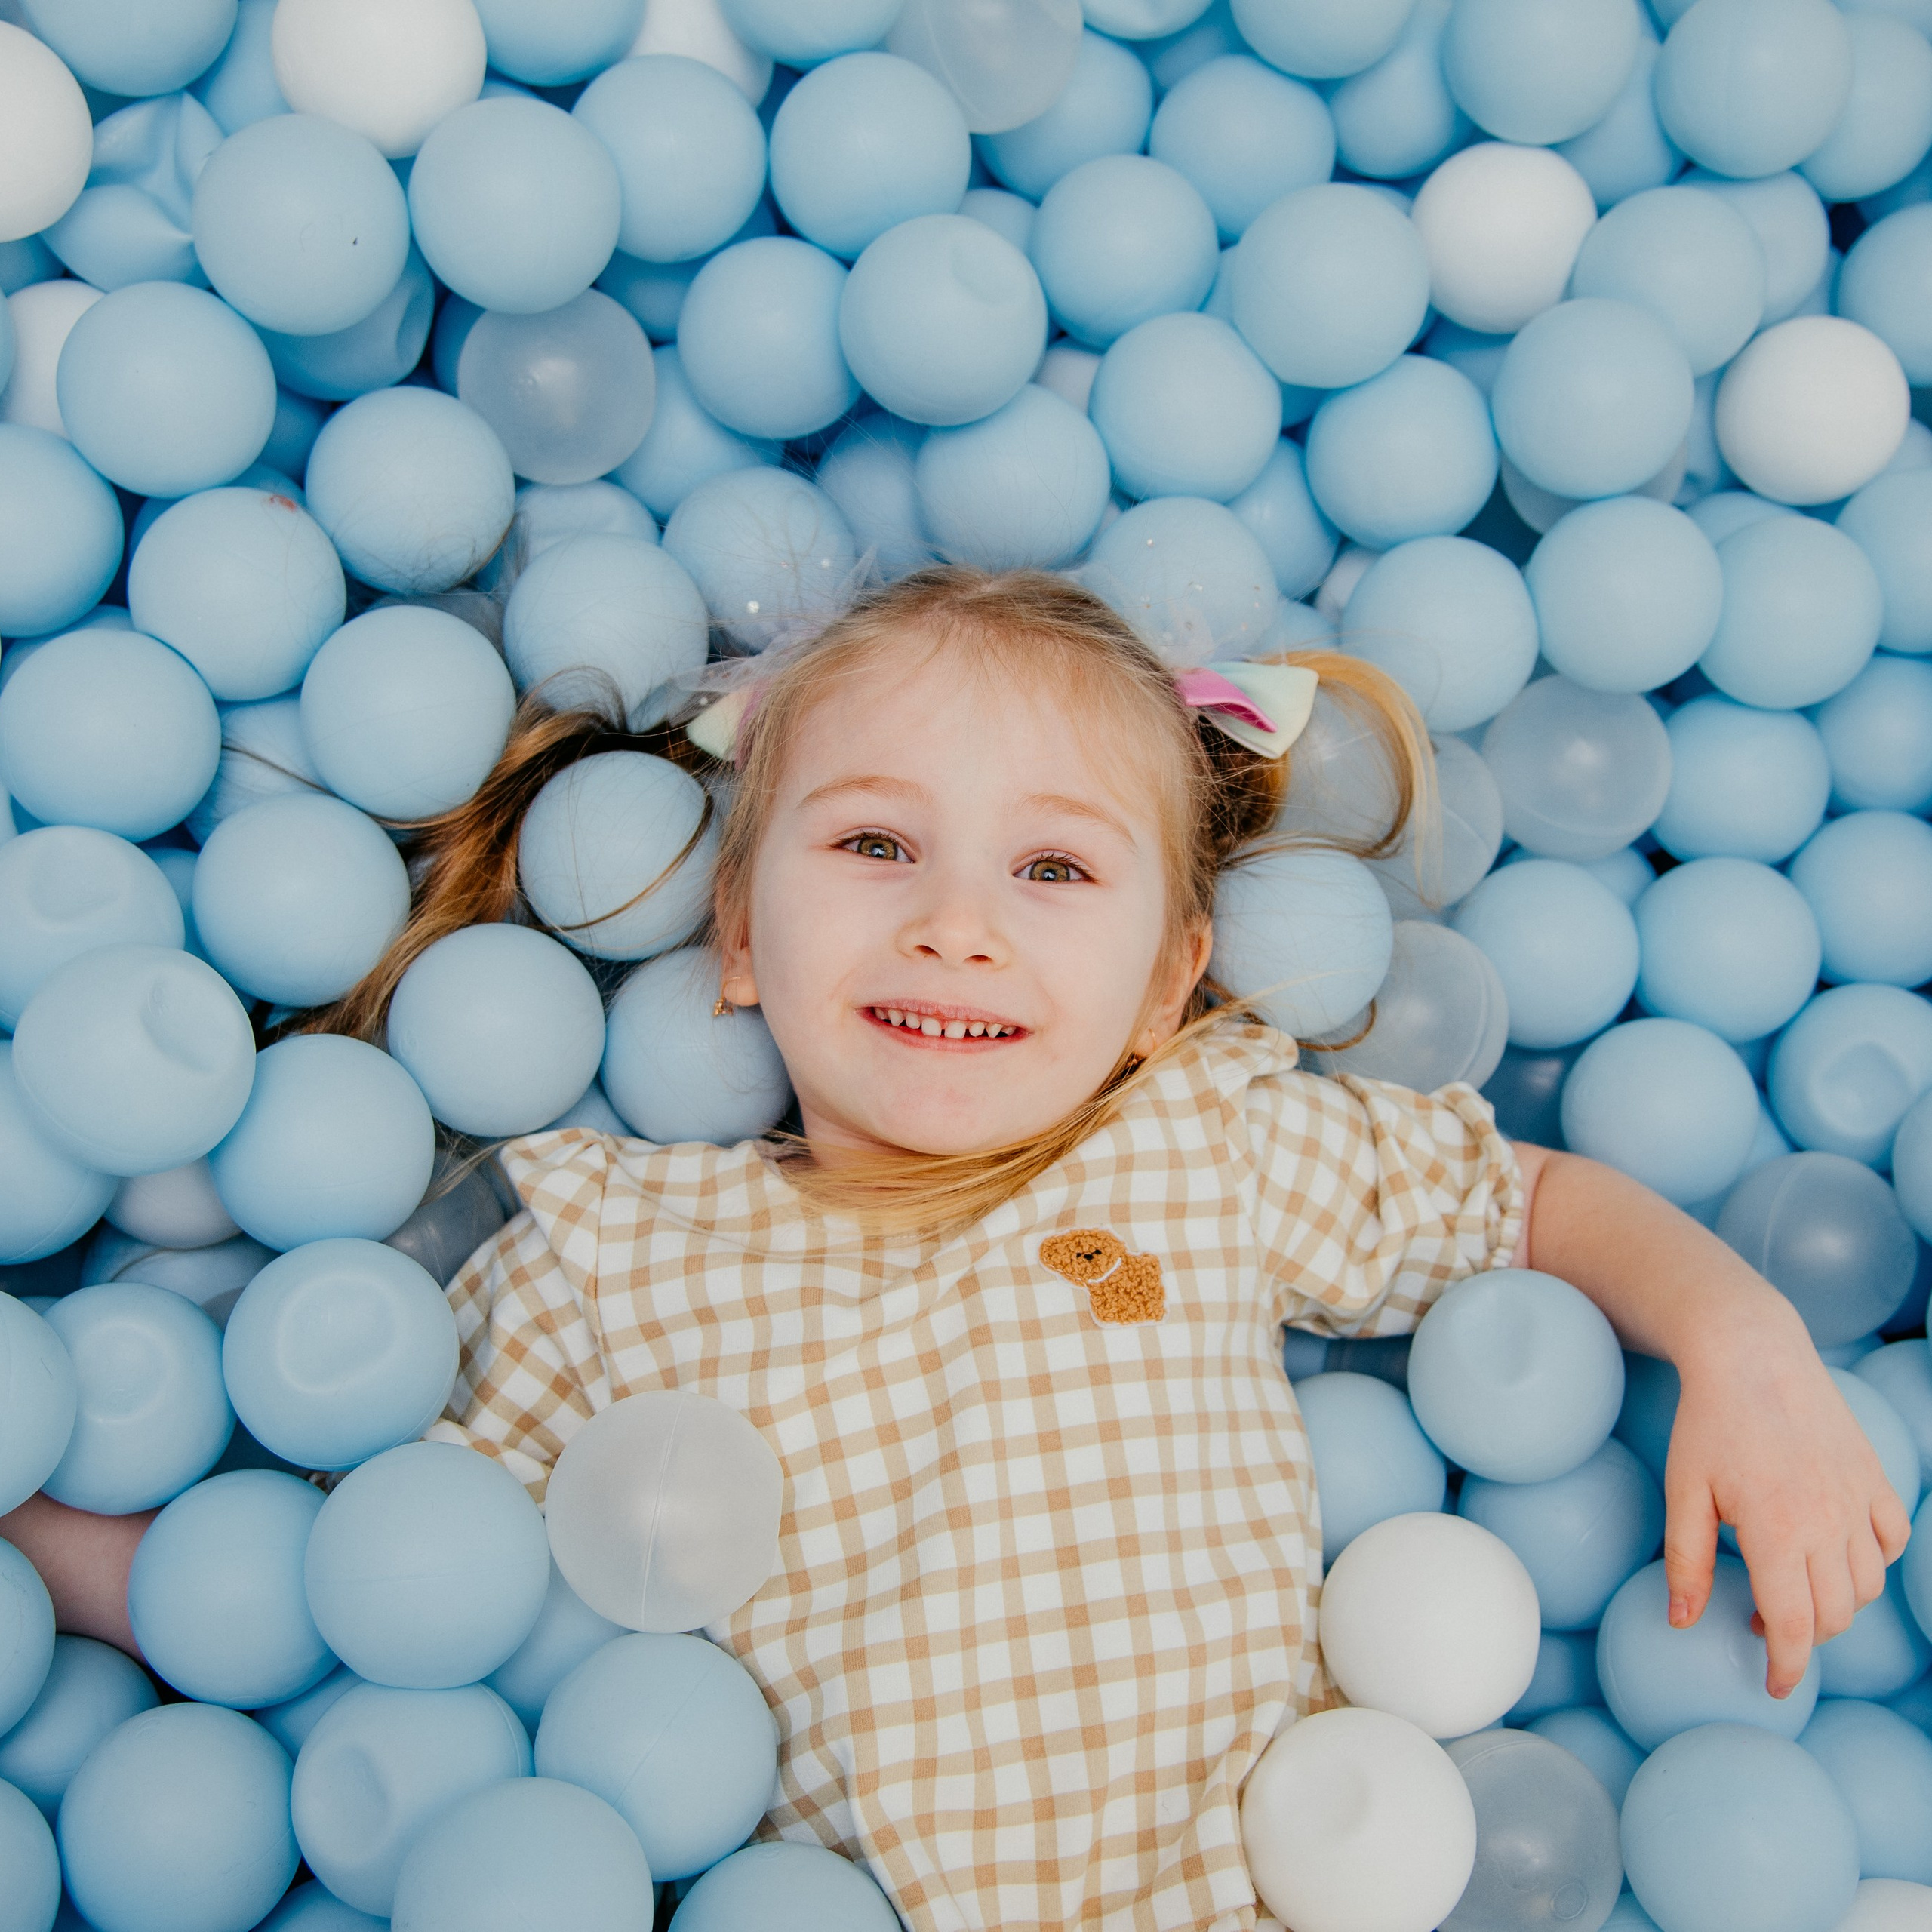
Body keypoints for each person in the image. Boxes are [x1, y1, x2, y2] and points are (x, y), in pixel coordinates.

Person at [10, 567, 1908, 1932]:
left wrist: (1739, 1341)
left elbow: (1523, 1197)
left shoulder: (1206, 1141)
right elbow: (347, 1582)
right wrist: (33, 1524)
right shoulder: (615, 1248)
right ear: (736, 935)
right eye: (872, 845)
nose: (955, 925)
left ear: (1166, 986)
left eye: (1053, 868)